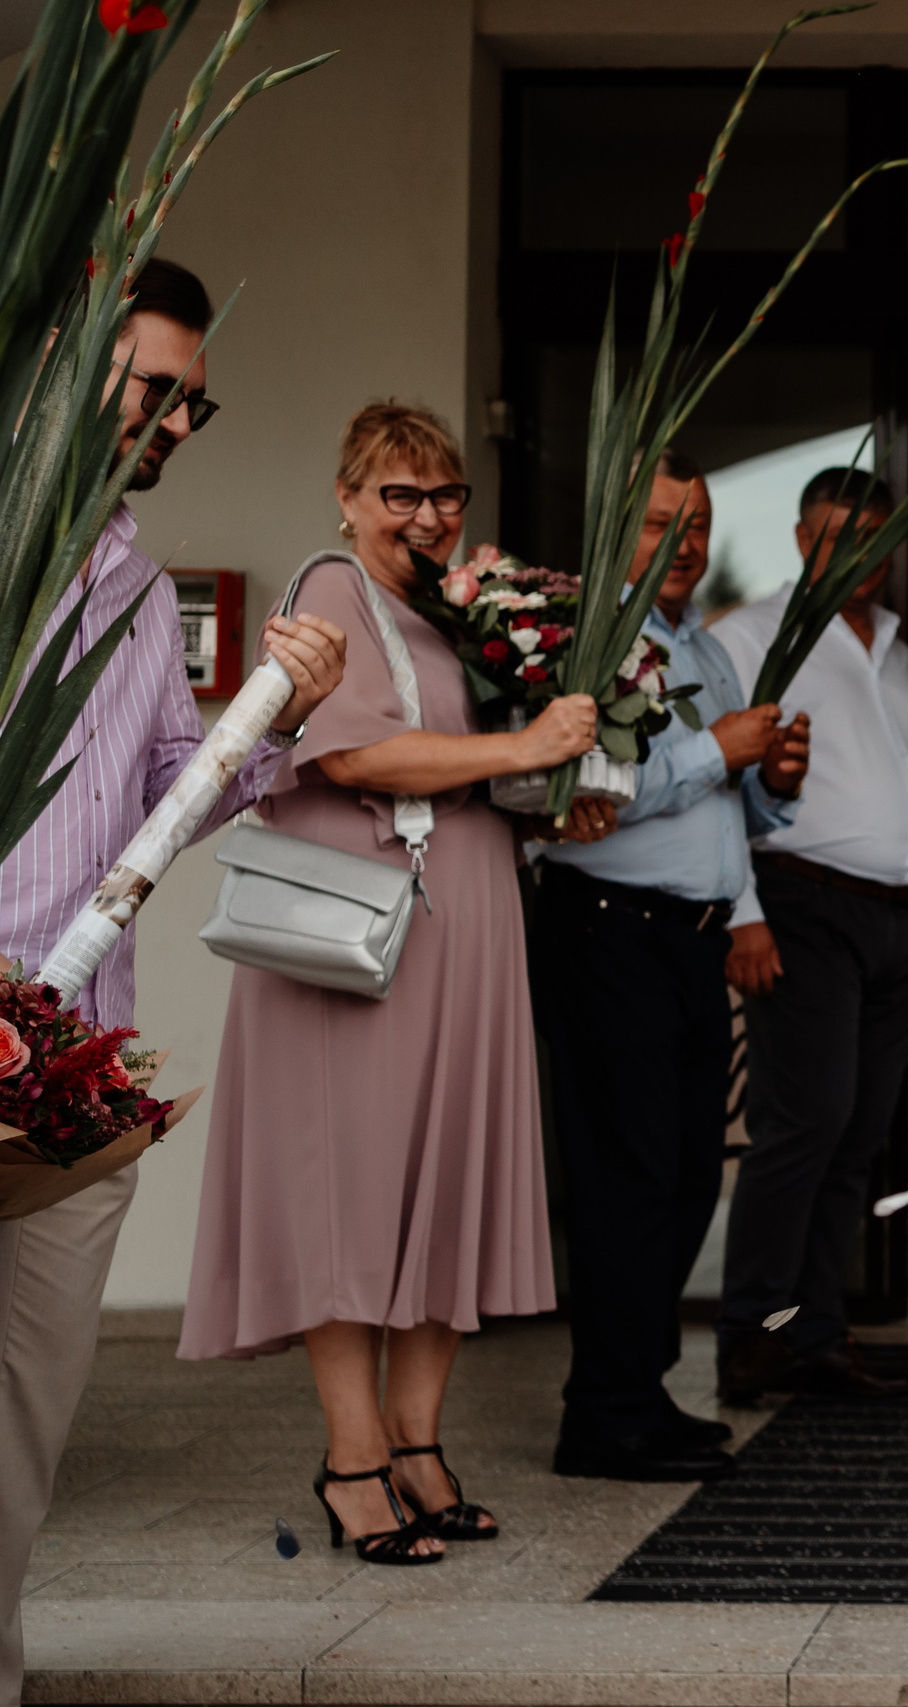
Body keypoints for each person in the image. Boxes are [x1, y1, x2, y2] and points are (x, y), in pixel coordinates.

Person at [180, 401, 613, 1566]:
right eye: (399, 495)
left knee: (444, 1183)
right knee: (352, 1196)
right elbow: (355, 753)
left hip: (462, 910)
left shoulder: (456, 614)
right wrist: (523, 751)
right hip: (355, 929)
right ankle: (354, 1461)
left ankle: (421, 1450)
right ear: (349, 498)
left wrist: (549, 791)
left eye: (444, 495)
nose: (425, 516)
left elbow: (466, 764)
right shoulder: (330, 591)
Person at [0, 259, 347, 1698]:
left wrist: (277, 722)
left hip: (75, 1062)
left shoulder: (142, 586)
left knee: (26, 1410)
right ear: (70, 370)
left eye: (195, 403)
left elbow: (167, 796)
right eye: (157, 389)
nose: (176, 421)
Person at [532, 448, 809, 1482]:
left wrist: (772, 776)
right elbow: (581, 795)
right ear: (617, 532)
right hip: (608, 928)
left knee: (689, 1175)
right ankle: (601, 1415)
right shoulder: (585, 641)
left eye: (694, 525)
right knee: (627, 1179)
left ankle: (639, 1392)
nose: (683, 545)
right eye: (660, 525)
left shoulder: (708, 650)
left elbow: (736, 809)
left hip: (685, 938)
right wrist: (718, 754)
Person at [712, 468, 908, 1405]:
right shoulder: (748, 637)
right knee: (802, 1127)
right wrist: (744, 913)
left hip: (898, 920)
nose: (862, 556)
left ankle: (814, 1335)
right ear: (804, 541)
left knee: (853, 1135)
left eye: (877, 537)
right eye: (841, 536)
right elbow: (717, 789)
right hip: (802, 906)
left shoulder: (899, 650)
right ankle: (752, 1336)